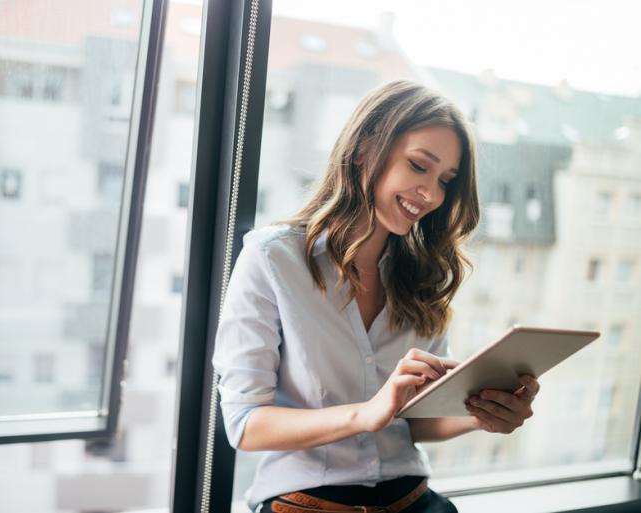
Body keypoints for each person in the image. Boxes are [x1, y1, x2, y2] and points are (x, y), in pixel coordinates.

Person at [212, 80, 540, 513]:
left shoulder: (423, 275)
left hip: (415, 500)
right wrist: (365, 413)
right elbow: (245, 424)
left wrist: (482, 415)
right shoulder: (272, 259)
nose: (432, 194)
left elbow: (415, 422)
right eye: (419, 166)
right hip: (307, 502)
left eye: (445, 180)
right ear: (365, 148)